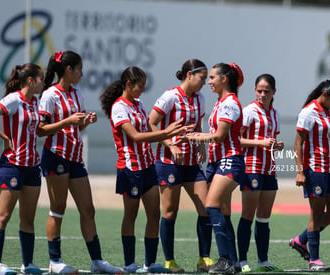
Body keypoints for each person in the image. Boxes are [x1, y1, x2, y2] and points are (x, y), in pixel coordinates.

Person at [38, 50, 122, 274]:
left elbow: (77, 126)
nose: (82, 74)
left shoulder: (76, 93)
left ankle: (97, 261)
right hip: (56, 156)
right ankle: (55, 261)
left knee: (88, 209)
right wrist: (68, 121)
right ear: (68, 70)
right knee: (58, 209)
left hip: (75, 158)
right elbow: (40, 130)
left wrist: (85, 121)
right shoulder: (50, 95)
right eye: (79, 69)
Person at [99, 66, 189, 273]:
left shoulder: (138, 104)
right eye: (140, 86)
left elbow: (148, 128)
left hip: (148, 166)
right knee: (130, 215)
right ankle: (130, 263)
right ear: (128, 84)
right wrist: (166, 132)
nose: (142, 90)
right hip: (130, 168)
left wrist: (170, 139)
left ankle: (150, 263)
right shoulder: (119, 107)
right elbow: (136, 136)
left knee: (154, 215)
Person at [148, 59, 214, 273]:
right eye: (202, 78)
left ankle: (204, 258)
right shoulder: (170, 96)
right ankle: (169, 260)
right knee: (169, 212)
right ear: (189, 75)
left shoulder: (200, 98)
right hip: (169, 163)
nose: (204, 82)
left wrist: (201, 143)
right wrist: (169, 144)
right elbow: (152, 122)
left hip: (192, 163)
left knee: (206, 208)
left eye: (206, 78)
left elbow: (198, 124)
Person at [179, 62, 245, 274]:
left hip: (230, 160)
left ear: (224, 79)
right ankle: (233, 262)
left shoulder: (230, 103)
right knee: (223, 211)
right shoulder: (220, 102)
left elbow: (220, 136)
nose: (209, 82)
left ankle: (225, 259)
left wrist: (197, 137)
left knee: (211, 206)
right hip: (218, 161)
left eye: (213, 78)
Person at [289, 79, 330, 271]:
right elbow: (298, 143)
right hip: (315, 169)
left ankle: (301, 240)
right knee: (315, 214)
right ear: (324, 95)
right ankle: (314, 260)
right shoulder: (308, 112)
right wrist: (299, 172)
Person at [0, 64, 45, 275]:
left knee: (28, 219)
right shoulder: (14, 99)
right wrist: (4, 137)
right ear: (30, 80)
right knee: (3, 216)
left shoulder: (35, 101)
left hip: (33, 167)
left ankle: (28, 264)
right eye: (41, 79)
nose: (43, 83)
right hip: (12, 166)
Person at [237, 74, 284, 273]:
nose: (262, 94)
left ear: (274, 92)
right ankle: (242, 260)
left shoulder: (275, 114)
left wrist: (277, 146)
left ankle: (263, 260)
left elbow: (270, 142)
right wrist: (260, 142)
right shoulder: (248, 111)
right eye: (259, 90)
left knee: (264, 217)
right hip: (251, 168)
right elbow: (236, 139)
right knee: (248, 214)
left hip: (269, 168)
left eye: (266, 91)